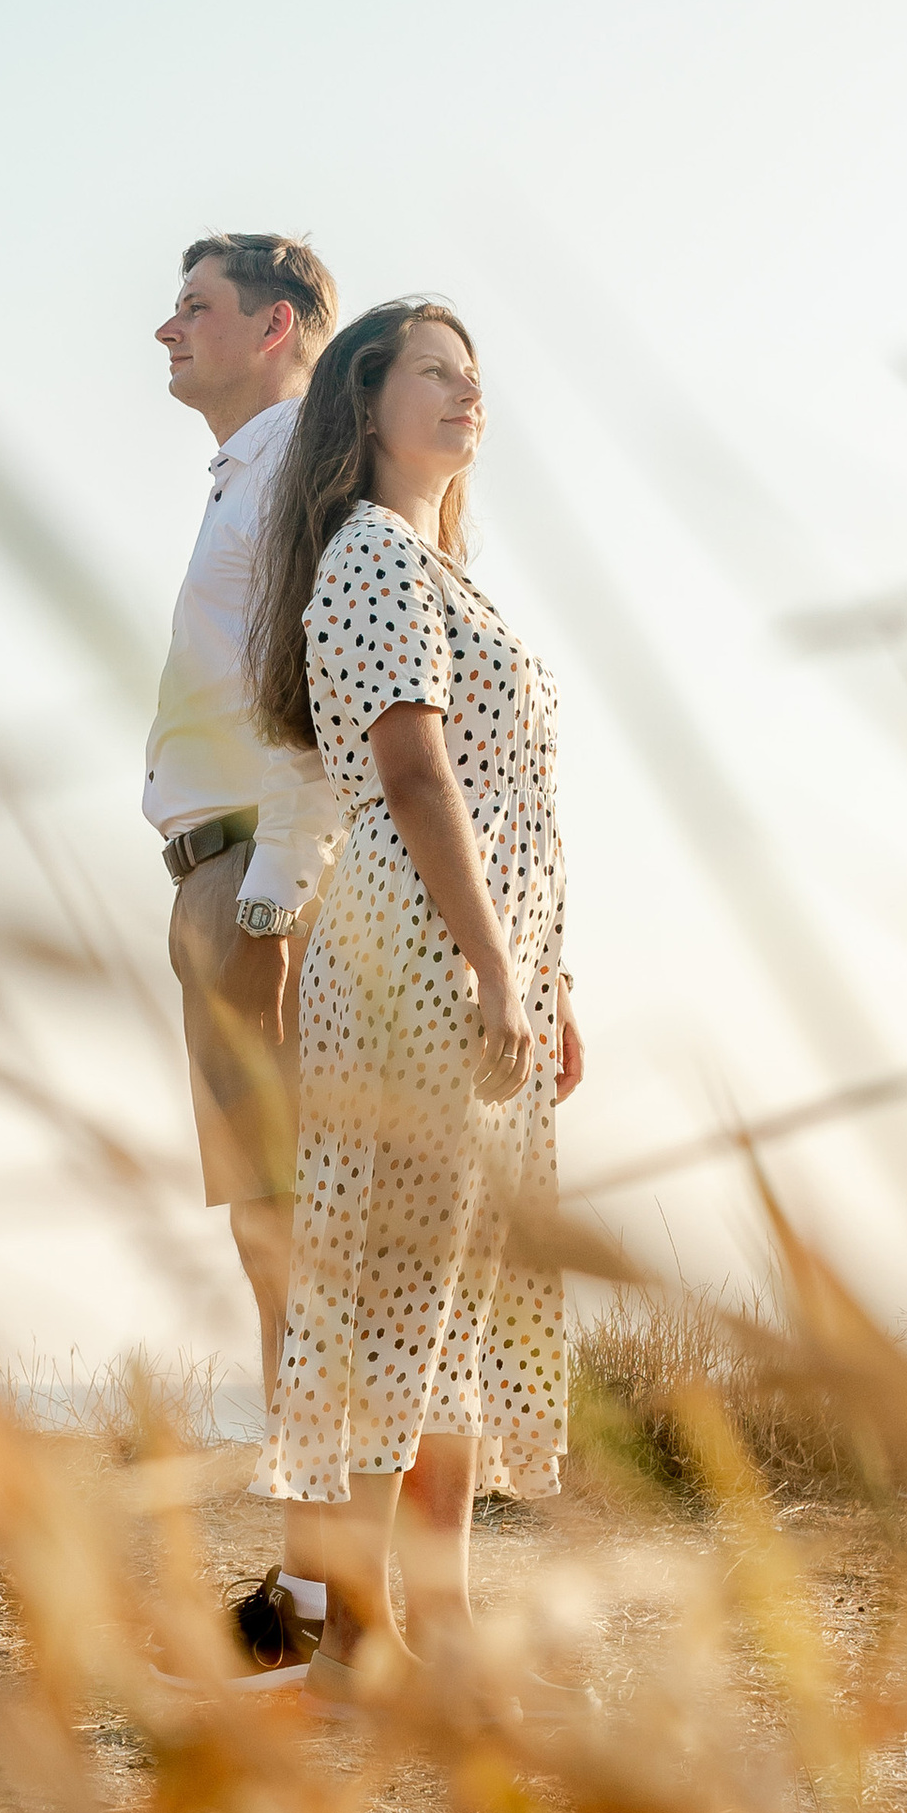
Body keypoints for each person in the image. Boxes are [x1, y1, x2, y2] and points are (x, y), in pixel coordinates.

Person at [243, 295, 584, 1682]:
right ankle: (361, 1649)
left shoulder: (440, 573)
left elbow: (507, 807)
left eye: (475, 375)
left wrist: (548, 980)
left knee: (448, 1314)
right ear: (365, 408)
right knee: (398, 1308)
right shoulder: (373, 560)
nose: (465, 393)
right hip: (414, 973)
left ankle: (436, 1634)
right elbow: (416, 776)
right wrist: (499, 964)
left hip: (475, 969)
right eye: (434, 373)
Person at [145, 231, 342, 1676]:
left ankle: (327, 1598)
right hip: (219, 883)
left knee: (296, 1240)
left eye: (197, 308)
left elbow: (309, 706)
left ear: (278, 328)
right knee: (277, 1243)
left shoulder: (290, 480)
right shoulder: (251, 480)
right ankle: (310, 1580)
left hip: (258, 889)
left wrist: (271, 908)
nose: (166, 330)